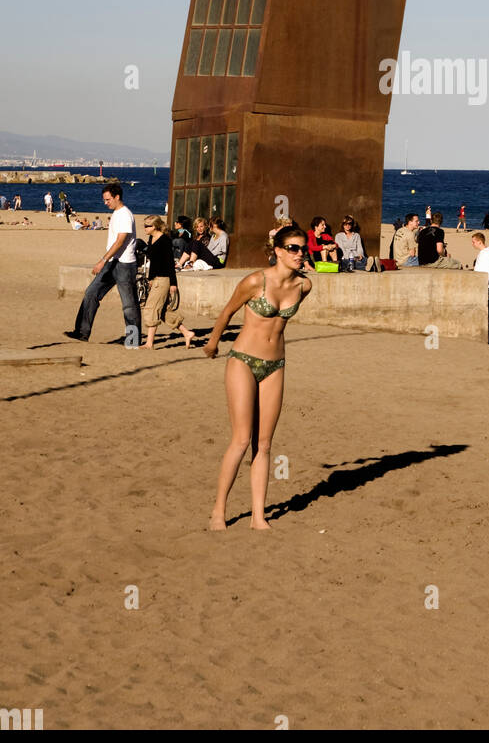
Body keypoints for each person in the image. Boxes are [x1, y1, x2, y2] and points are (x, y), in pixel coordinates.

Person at [204, 225, 312, 530]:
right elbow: (226, 313)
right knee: (241, 439)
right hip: (242, 360)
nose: (299, 254)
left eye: (303, 248)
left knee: (264, 444)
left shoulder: (304, 287)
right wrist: (212, 343)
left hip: (275, 365)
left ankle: (258, 516)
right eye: (293, 248)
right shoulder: (255, 281)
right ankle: (218, 511)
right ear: (277, 250)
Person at [67, 184, 141, 346]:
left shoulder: (125, 215)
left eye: (108, 200)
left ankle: (133, 339)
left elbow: (120, 241)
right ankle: (82, 332)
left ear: (117, 197)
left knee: (129, 305)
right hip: (112, 262)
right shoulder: (116, 214)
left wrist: (102, 260)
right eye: (104, 200)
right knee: (91, 293)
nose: (105, 203)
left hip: (125, 265)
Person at [141, 216, 196, 348]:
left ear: (154, 226)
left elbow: (169, 264)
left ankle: (149, 342)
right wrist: (150, 279)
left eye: (147, 226)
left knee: (151, 308)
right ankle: (187, 333)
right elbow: (153, 262)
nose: (145, 228)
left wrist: (173, 284)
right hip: (156, 279)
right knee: (164, 311)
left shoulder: (165, 240)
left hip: (164, 279)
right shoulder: (151, 239)